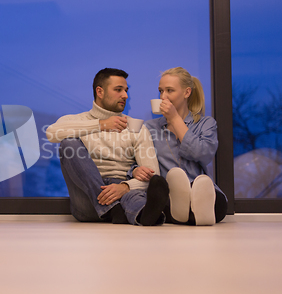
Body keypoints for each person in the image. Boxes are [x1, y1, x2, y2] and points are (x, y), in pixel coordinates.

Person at [46, 68, 169, 226]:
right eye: (118, 90)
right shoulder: (77, 120)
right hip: (88, 199)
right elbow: (51, 133)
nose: (125, 95)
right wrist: (101, 125)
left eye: (126, 90)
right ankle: (113, 209)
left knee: (132, 195)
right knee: (68, 143)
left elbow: (153, 174)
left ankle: (145, 215)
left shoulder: (136, 127)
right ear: (100, 91)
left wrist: (125, 187)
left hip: (122, 192)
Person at [132, 67, 227, 225]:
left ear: (187, 92)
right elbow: (133, 159)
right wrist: (135, 169)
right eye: (161, 91)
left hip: (199, 188)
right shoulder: (150, 128)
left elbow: (202, 154)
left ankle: (189, 210)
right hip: (168, 193)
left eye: (169, 90)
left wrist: (174, 118)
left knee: (218, 204)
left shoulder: (205, 124)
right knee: (162, 198)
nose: (163, 97)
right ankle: (190, 213)